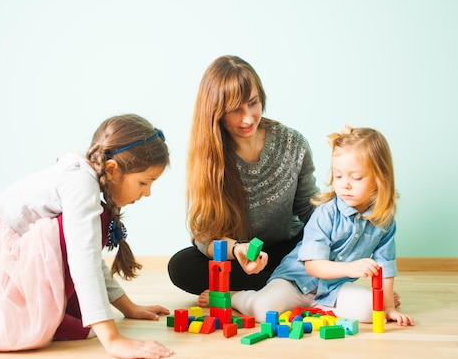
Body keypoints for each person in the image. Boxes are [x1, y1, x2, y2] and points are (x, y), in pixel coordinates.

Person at [0, 114, 174, 359]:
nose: (148, 193)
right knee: (94, 229)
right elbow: (84, 259)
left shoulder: (84, 179)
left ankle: (59, 317)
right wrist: (113, 339)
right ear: (113, 168)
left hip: (10, 259)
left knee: (92, 234)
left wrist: (127, 307)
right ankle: (45, 318)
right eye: (144, 182)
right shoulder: (81, 185)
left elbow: (88, 255)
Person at [167, 55, 319, 305]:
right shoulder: (208, 156)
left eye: (253, 103)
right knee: (182, 266)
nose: (247, 118)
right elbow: (205, 234)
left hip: (286, 249)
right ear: (216, 112)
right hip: (237, 256)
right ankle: (288, 287)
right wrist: (237, 250)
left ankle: (256, 291)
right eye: (236, 110)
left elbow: (309, 211)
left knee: (324, 245)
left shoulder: (292, 144)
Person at [231, 125, 414, 327]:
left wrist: (387, 306)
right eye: (338, 176)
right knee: (262, 309)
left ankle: (319, 309)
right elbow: (312, 265)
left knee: (372, 310)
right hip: (296, 282)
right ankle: (239, 297)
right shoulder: (326, 213)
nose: (345, 185)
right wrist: (350, 268)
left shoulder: (384, 221)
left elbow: (385, 265)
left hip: (334, 288)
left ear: (381, 178)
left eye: (356, 177)